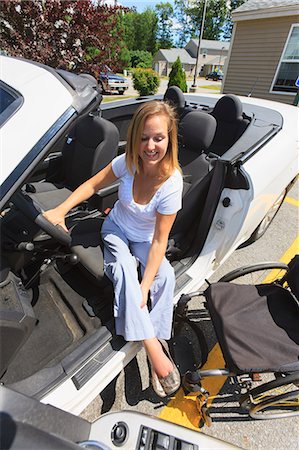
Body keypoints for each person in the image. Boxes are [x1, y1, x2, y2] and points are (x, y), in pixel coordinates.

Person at [43, 100, 183, 398]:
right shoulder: (128, 163)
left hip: (146, 240)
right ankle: (154, 349)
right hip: (117, 229)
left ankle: (150, 337)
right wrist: (61, 210)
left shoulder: (172, 184)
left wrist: (146, 285)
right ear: (135, 138)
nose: (150, 145)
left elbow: (160, 240)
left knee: (164, 278)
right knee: (123, 272)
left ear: (169, 139)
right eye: (144, 137)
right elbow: (92, 185)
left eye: (158, 138)